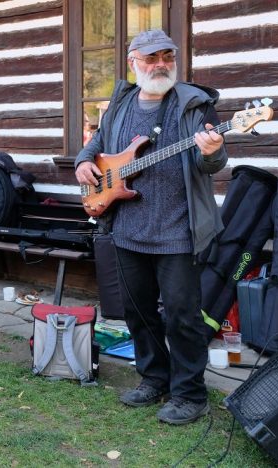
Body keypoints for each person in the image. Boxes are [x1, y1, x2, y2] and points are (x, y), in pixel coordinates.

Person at [74, 29, 227, 425]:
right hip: (127, 229)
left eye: (167, 56)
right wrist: (83, 162)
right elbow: (96, 144)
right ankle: (154, 378)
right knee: (138, 312)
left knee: (182, 317)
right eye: (151, 57)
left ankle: (190, 394)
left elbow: (211, 163)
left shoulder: (194, 105)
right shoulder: (121, 104)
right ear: (133, 62)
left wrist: (213, 152)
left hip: (177, 232)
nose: (161, 64)